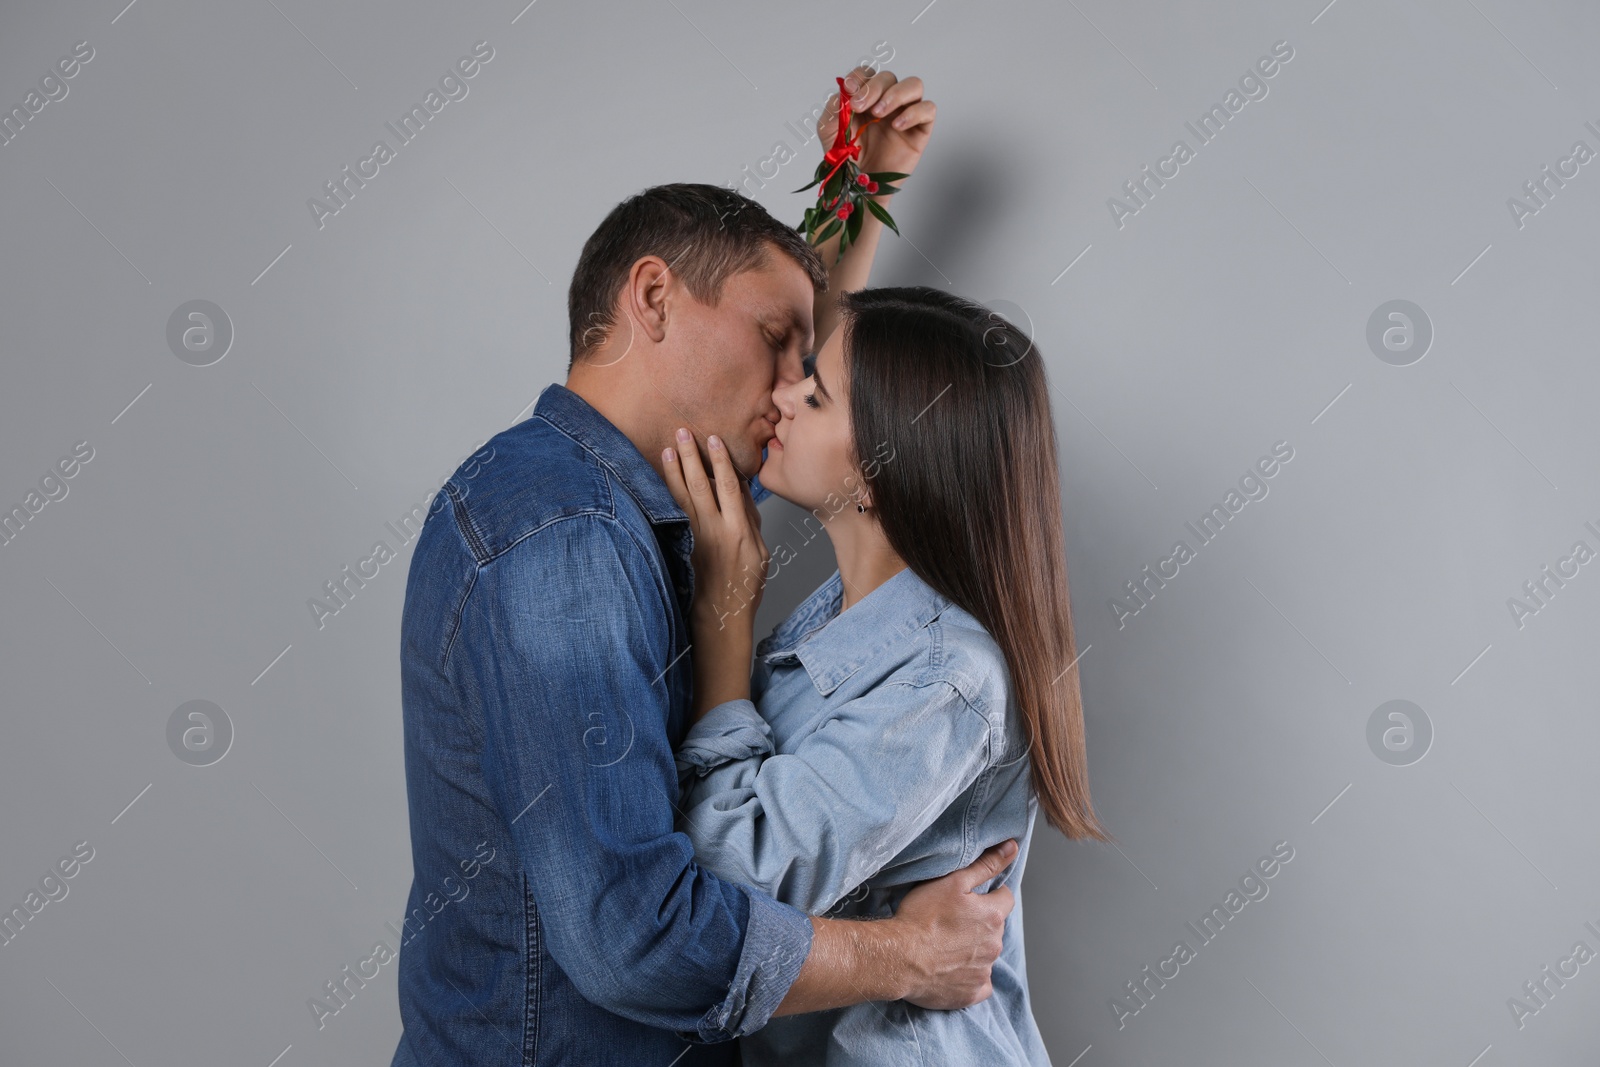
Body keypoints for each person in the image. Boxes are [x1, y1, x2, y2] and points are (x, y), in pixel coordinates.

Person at [390, 68, 1020, 1067]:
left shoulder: (638, 507)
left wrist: (855, 188)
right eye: (778, 346)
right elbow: (633, 936)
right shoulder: (567, 536)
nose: (789, 390)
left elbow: (819, 428)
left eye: (805, 371)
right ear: (651, 297)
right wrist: (909, 953)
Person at [661, 285, 1113, 1064]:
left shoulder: (946, 680)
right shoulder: (847, 607)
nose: (782, 395)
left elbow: (732, 880)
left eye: (816, 393)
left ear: (878, 473)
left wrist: (723, 632)